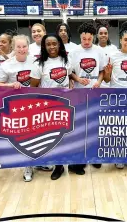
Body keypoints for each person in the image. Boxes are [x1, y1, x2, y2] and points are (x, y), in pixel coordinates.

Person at [0, 34, 53, 181]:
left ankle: (38, 162)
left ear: (28, 47)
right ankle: (27, 166)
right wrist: (11, 85)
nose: (21, 49)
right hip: (18, 105)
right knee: (24, 136)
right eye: (18, 47)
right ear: (13, 48)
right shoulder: (7, 65)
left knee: (39, 134)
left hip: (36, 102)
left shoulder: (36, 61)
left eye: (24, 46)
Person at [30, 34, 72, 181]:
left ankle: (62, 164)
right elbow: (33, 86)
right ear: (44, 46)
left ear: (59, 44)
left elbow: (69, 76)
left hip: (65, 103)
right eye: (48, 44)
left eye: (54, 43)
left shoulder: (66, 60)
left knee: (64, 136)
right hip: (48, 105)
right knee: (53, 137)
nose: (52, 47)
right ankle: (56, 164)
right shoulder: (38, 64)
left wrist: (72, 83)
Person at [69, 22, 106, 175]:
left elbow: (102, 71)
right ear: (80, 37)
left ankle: (94, 155)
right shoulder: (74, 52)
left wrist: (98, 81)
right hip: (78, 94)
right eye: (84, 39)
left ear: (93, 37)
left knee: (94, 126)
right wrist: (78, 79)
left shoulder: (98, 51)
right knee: (79, 128)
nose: (86, 42)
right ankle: (79, 158)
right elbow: (70, 72)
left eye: (89, 39)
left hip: (94, 94)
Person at [103, 21, 127, 169]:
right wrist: (107, 72)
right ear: (120, 40)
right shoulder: (112, 56)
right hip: (116, 96)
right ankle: (118, 156)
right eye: (126, 40)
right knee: (118, 128)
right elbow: (106, 79)